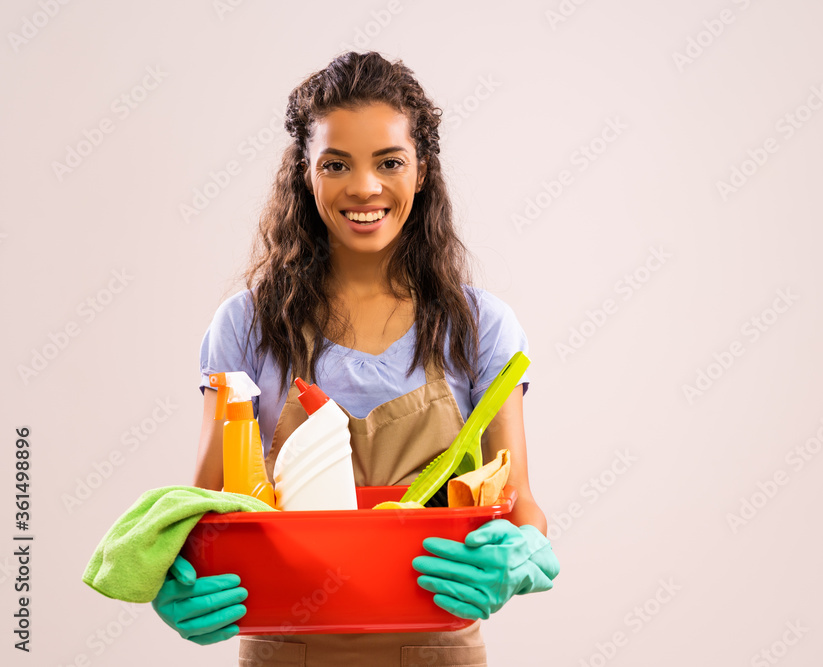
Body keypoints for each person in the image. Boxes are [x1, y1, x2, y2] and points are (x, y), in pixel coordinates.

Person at [150, 51, 559, 665]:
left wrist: (524, 550)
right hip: (287, 651)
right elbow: (209, 503)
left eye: (389, 161)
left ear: (421, 171)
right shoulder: (246, 325)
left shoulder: (478, 327)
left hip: (439, 650)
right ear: (305, 175)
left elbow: (518, 496)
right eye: (336, 164)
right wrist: (178, 573)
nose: (364, 187)